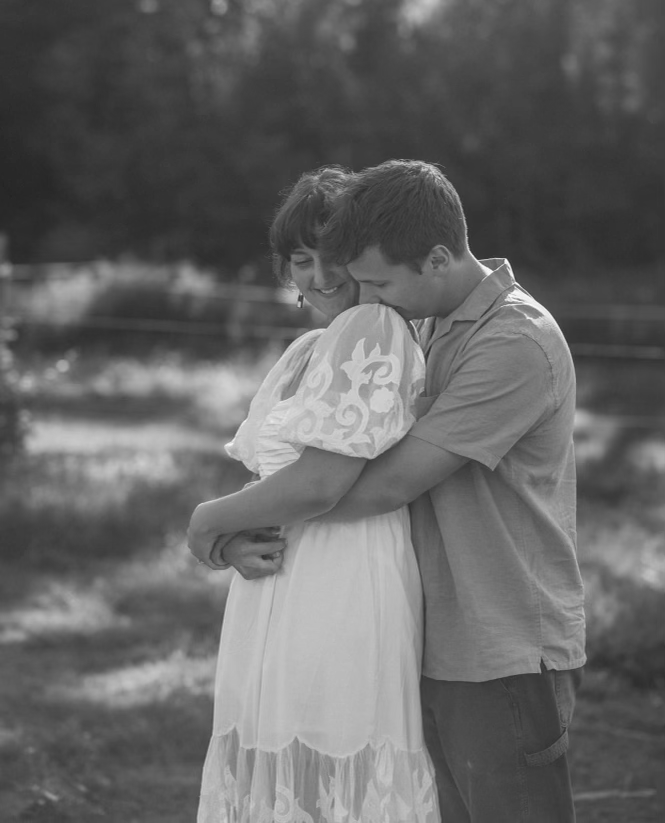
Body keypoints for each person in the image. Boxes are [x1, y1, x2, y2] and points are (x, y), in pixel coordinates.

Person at [207, 160, 587, 823]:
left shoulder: (513, 341)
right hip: (424, 630)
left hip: (497, 639)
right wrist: (255, 521)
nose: (367, 295)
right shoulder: (427, 320)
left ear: (436, 259)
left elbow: (380, 485)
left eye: (378, 281)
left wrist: (216, 522)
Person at [188, 167, 440, 823]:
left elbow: (321, 483)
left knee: (329, 769)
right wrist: (236, 540)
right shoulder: (308, 347)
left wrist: (207, 522)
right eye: (301, 259)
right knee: (286, 781)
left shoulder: (374, 329)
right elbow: (274, 482)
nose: (320, 276)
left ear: (364, 256)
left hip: (341, 581)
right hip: (276, 582)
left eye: (333, 256)